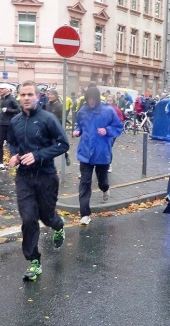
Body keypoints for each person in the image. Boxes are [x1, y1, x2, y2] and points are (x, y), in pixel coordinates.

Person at [7, 80, 70, 280]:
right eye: (23, 95)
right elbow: (12, 143)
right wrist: (14, 156)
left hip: (46, 176)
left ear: (37, 96)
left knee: (47, 217)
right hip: (24, 177)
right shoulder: (15, 121)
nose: (26, 98)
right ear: (19, 97)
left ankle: (58, 225)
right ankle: (34, 260)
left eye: (30, 94)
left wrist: (38, 155)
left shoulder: (47, 119)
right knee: (28, 219)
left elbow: (63, 144)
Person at [73, 86, 123, 225]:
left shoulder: (108, 110)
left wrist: (107, 130)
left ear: (97, 99)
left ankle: (105, 189)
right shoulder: (83, 110)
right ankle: (85, 214)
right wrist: (78, 131)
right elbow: (79, 124)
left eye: (93, 99)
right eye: (89, 99)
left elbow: (119, 127)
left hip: (101, 152)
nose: (91, 102)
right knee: (85, 182)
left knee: (102, 180)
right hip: (85, 152)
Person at [0, 83, 19, 172]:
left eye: (2, 89)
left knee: (12, 144)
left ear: (7, 90)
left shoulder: (12, 99)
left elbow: (19, 110)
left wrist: (8, 110)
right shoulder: (1, 99)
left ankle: (15, 162)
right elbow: (1, 111)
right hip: (1, 124)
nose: (0, 90)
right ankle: (1, 163)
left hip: (10, 125)